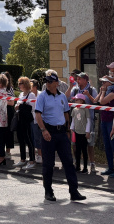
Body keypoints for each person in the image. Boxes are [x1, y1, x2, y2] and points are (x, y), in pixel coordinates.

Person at [34, 71, 85, 202]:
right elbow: (38, 114)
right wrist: (43, 130)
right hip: (49, 132)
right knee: (48, 164)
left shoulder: (62, 96)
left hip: (62, 132)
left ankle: (74, 191)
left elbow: (66, 113)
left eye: (50, 81)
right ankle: (48, 191)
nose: (47, 83)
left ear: (56, 83)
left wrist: (68, 130)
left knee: (68, 162)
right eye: (46, 81)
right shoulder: (42, 97)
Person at [97, 63, 114, 177]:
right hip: (104, 119)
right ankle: (111, 167)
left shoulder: (112, 93)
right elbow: (96, 101)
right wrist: (101, 92)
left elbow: (102, 102)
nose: (103, 83)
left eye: (105, 82)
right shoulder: (108, 91)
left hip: (111, 121)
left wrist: (102, 92)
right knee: (107, 145)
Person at [14, 76, 36, 169]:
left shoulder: (31, 95)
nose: (19, 85)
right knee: (21, 139)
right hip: (20, 119)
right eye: (18, 83)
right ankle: (22, 159)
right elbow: (18, 105)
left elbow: (32, 108)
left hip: (27, 120)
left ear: (25, 84)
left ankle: (32, 160)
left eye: (21, 83)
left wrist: (20, 107)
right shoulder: (21, 94)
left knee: (28, 139)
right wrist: (17, 107)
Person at [70, 89, 92, 173]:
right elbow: (73, 120)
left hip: (83, 133)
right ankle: (77, 165)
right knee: (77, 150)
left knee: (84, 150)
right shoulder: (75, 109)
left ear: (82, 101)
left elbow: (88, 120)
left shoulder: (85, 109)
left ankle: (85, 167)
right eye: (75, 100)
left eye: (77, 100)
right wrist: (72, 128)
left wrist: (87, 131)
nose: (75, 101)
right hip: (77, 132)